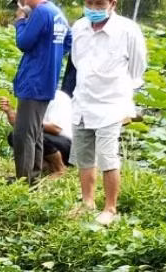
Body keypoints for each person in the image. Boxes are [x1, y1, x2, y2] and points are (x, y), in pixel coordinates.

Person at [70, 0, 146, 225]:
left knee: (107, 157)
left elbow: (137, 70)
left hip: (111, 106)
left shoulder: (128, 30)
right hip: (82, 102)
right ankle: (87, 202)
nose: (93, 8)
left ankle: (110, 208)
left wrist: (123, 101)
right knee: (85, 157)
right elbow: (76, 62)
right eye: (89, 3)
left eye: (99, 3)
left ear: (112, 3)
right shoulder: (79, 28)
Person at [12, 0, 71, 185]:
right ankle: (33, 175)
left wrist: (20, 20)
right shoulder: (57, 12)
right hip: (46, 79)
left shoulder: (40, 12)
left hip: (33, 81)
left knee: (23, 134)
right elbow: (69, 40)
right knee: (35, 131)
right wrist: (50, 56)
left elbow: (23, 42)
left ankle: (24, 181)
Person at [0, 90, 72, 179]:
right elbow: (23, 126)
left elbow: (56, 128)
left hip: (66, 143)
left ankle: (59, 168)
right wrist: (9, 112)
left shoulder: (58, 97)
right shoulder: (30, 97)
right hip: (47, 140)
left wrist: (28, 121)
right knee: (15, 136)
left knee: (37, 136)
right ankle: (41, 168)